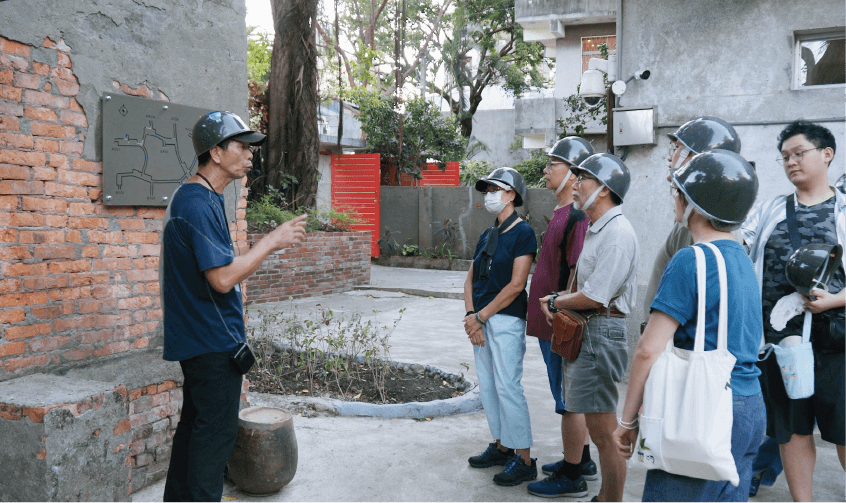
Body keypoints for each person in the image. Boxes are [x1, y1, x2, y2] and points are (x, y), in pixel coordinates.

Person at [160, 111, 308, 502]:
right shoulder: (196, 202)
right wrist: (271, 242)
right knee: (214, 438)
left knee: (194, 429)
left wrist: (256, 245)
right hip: (210, 342)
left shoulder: (200, 197)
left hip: (201, 339)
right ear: (216, 152)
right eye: (242, 146)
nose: (250, 155)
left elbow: (219, 259)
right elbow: (222, 278)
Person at [612, 149, 765, 502]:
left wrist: (628, 420)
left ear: (695, 201)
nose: (675, 198)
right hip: (749, 406)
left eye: (678, 191)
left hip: (702, 408)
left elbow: (648, 349)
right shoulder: (741, 259)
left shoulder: (690, 259)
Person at [742, 120, 846, 503]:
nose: (790, 162)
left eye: (799, 153)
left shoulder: (844, 209)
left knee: (843, 429)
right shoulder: (770, 208)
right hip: (780, 342)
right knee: (792, 429)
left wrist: (835, 301)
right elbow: (740, 248)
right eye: (785, 157)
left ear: (826, 154)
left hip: (837, 340)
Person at [539, 153, 638, 503]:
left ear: (606, 190)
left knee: (603, 429)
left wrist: (555, 302)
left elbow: (596, 295)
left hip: (601, 332)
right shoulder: (600, 229)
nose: (576, 185)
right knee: (598, 428)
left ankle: (611, 499)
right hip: (592, 332)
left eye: (584, 179)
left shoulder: (617, 232)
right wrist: (560, 298)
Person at [523, 137, 596, 498]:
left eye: (554, 164)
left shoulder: (577, 217)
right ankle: (581, 459)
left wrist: (558, 307)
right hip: (547, 323)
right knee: (564, 395)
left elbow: (576, 272)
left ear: (573, 173)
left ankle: (572, 474)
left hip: (559, 324)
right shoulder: (561, 214)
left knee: (568, 399)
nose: (546, 170)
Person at [463, 167, 539, 487]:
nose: (488, 195)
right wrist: (471, 315)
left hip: (505, 319)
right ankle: (502, 445)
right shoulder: (487, 234)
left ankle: (523, 458)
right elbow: (470, 279)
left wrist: (480, 317)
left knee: (508, 386)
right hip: (480, 320)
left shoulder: (523, 233)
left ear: (511, 195)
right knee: (490, 386)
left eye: (495, 189)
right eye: (486, 190)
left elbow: (516, 285)